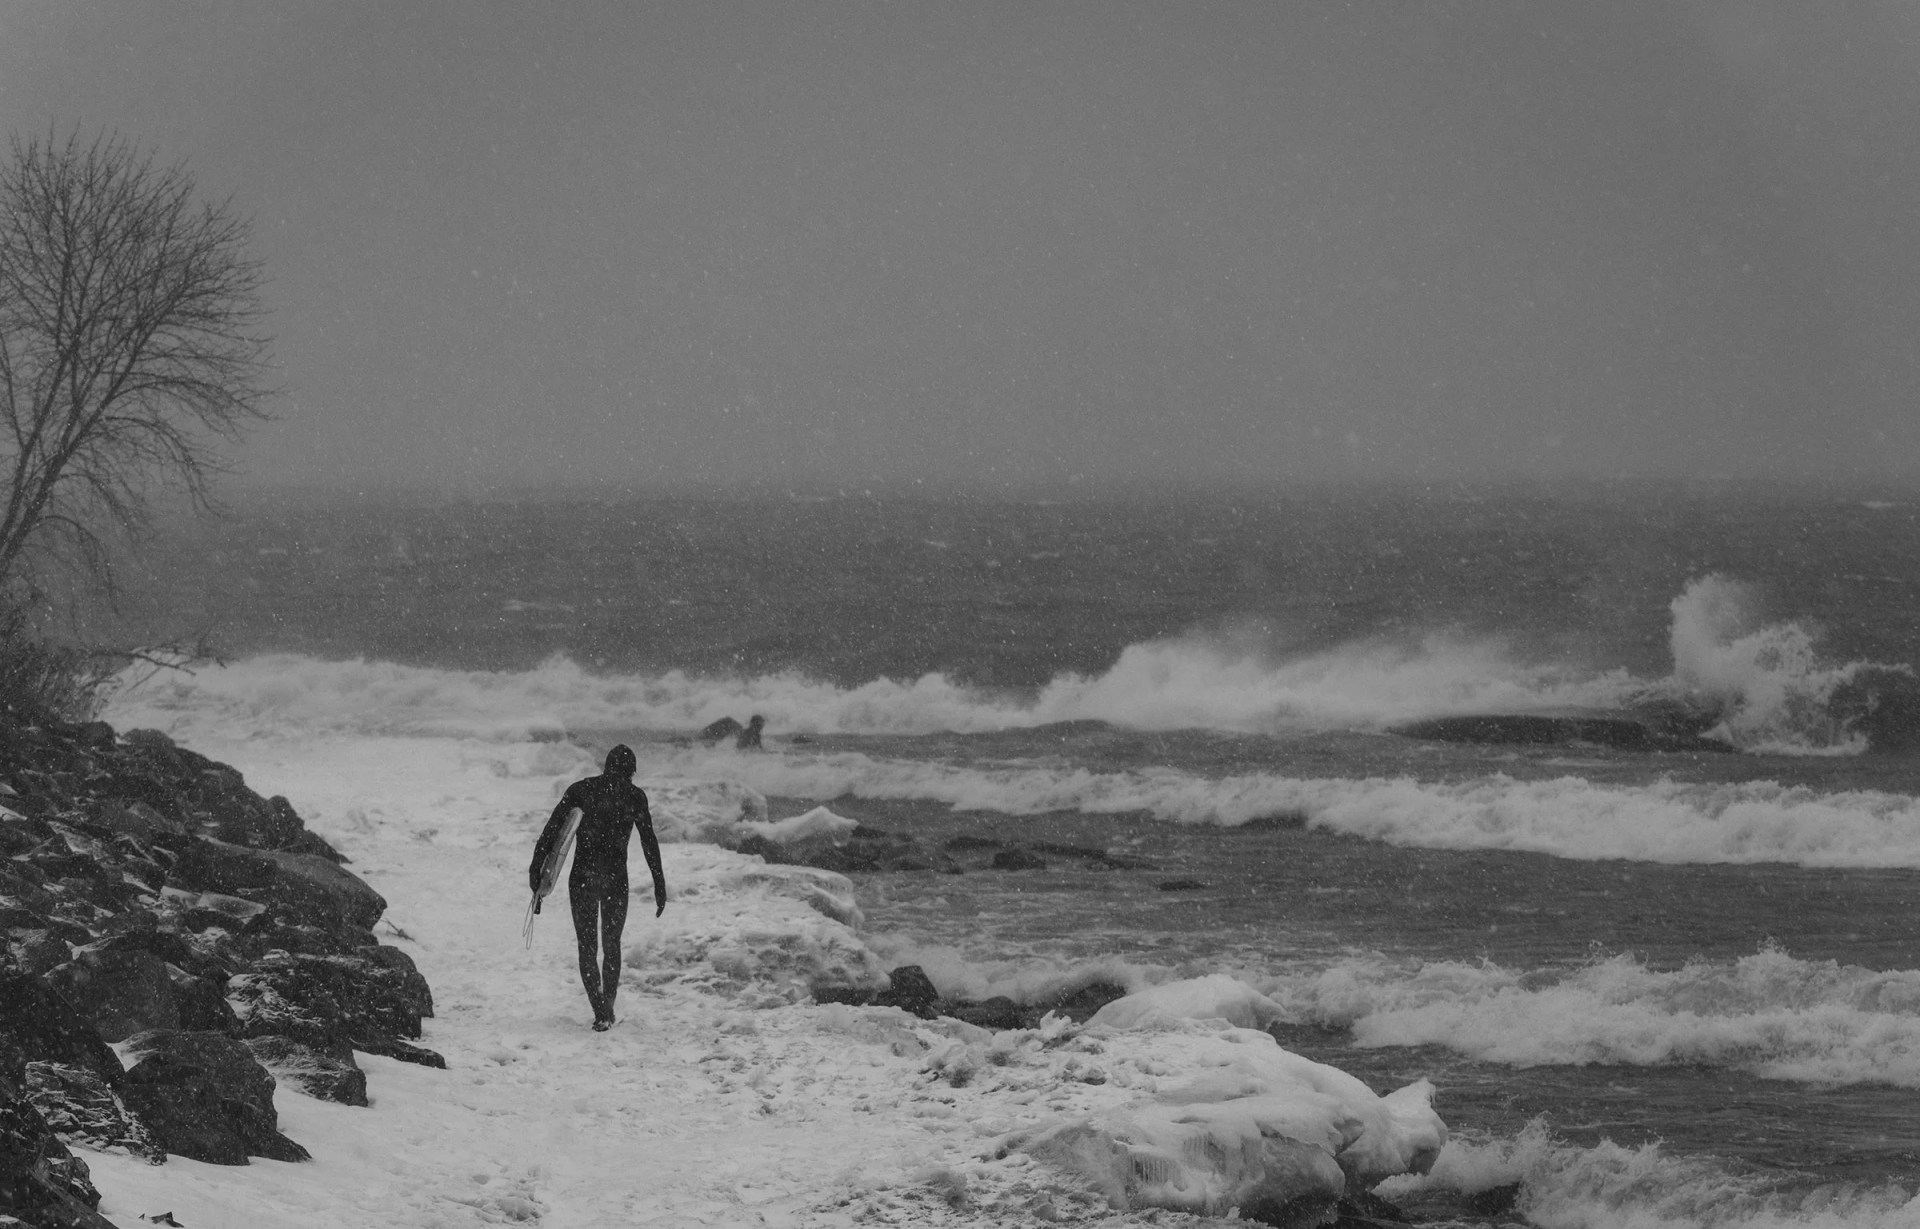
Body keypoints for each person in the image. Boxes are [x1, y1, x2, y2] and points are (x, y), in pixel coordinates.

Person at [528, 744, 666, 1031]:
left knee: (587, 948)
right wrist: (659, 883)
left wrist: (536, 871)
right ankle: (608, 1008)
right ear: (631, 772)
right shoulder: (634, 797)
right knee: (612, 946)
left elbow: (552, 833)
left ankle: (600, 1011)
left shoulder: (582, 790)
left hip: (584, 878)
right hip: (615, 879)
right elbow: (649, 842)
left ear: (606, 765)